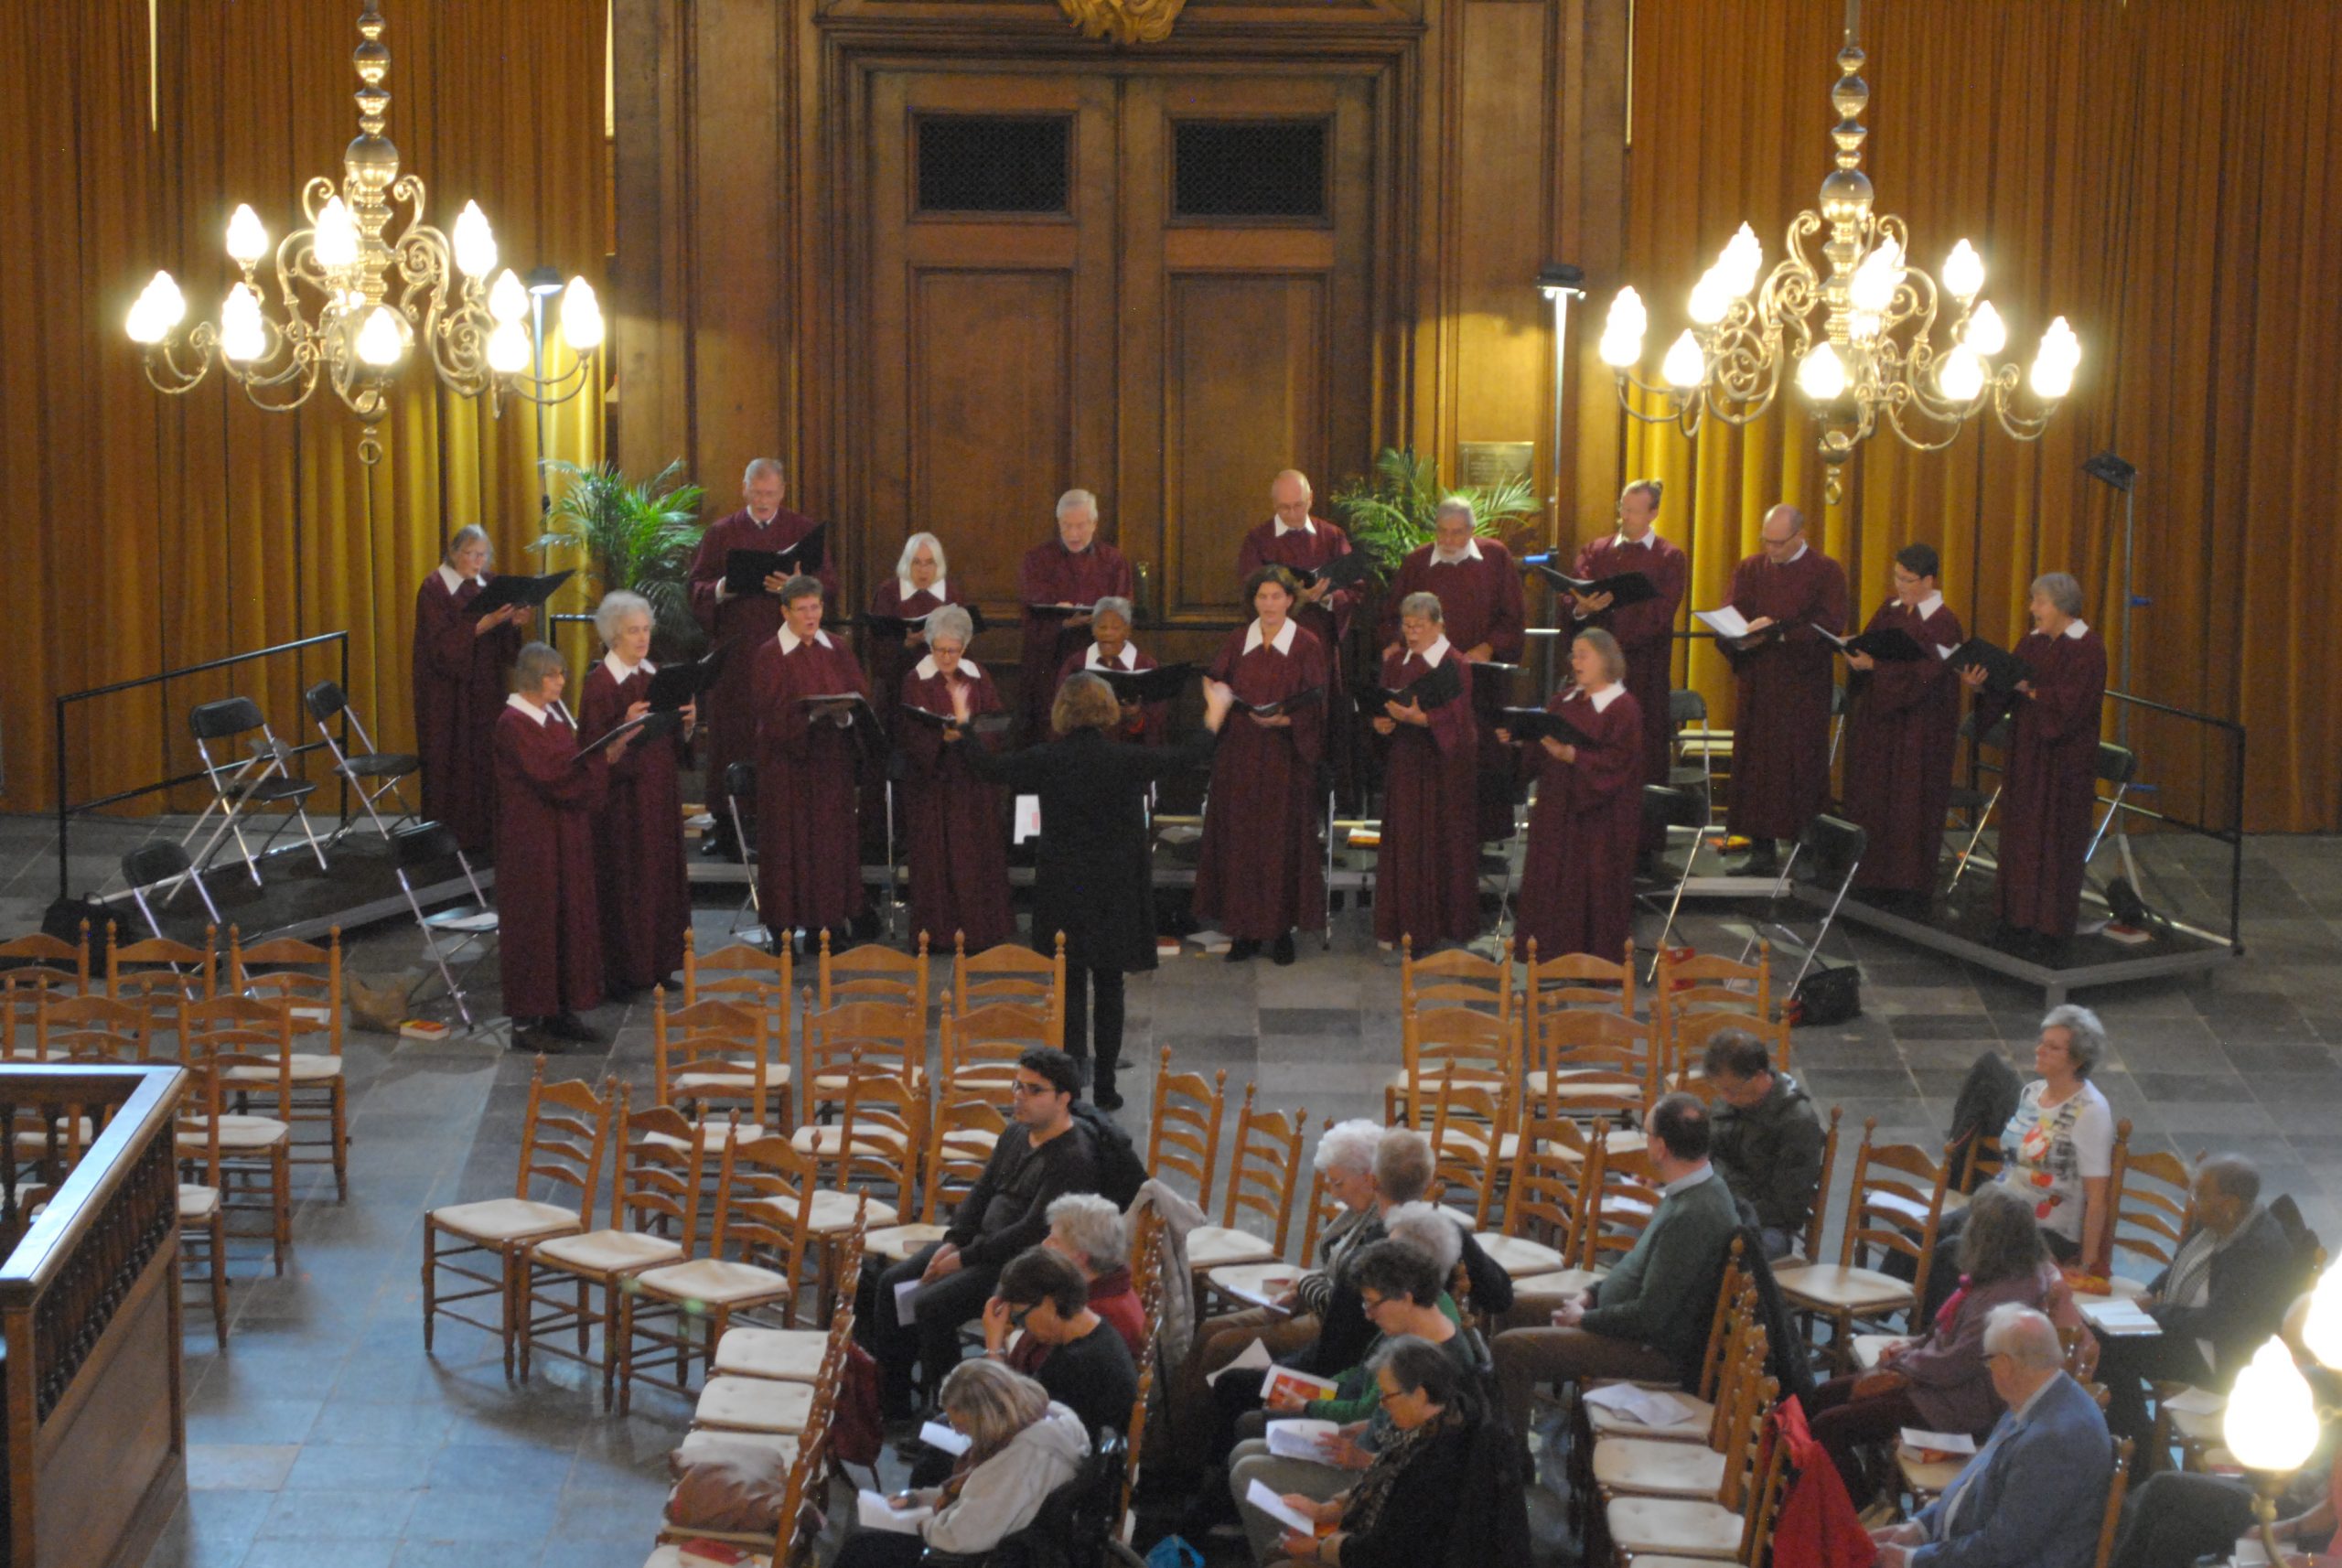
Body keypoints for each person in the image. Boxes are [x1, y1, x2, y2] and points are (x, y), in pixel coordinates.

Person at [970, 672, 1234, 1110]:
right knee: (1110, 986)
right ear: (1106, 709)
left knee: (1071, 987)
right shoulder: (1123, 758)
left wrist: (963, 727)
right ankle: (1107, 1087)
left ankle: (1072, 1086)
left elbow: (990, 769)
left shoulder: (1047, 757)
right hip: (1115, 887)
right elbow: (1183, 757)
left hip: (1064, 887)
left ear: (1063, 711)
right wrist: (1214, 716)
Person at [863, 1048, 1102, 1415]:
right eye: (1017, 1086)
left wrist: (963, 1258)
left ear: (1064, 1098)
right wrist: (953, 1241)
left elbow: (1030, 1231)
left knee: (932, 1305)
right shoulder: (1015, 1133)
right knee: (891, 1283)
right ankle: (893, 1402)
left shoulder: (1074, 1158)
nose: (1019, 1097)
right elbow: (982, 1191)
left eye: (1034, 1090)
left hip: (1018, 1266)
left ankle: (951, 1412)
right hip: (979, 1247)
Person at [1227, 1240, 1490, 1563]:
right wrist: (1361, 1427)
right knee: (1244, 1452)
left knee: (1248, 1472)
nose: (1367, 1314)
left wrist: (1363, 1459)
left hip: (1377, 1479)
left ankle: (1291, 1553)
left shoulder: (1436, 1361)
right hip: (1374, 1457)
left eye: (1372, 1303)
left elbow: (1424, 1470)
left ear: (1406, 1297)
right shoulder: (1413, 1328)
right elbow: (1396, 1421)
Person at [1489, 1092, 1740, 1433]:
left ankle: (1510, 1457)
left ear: (1660, 1147)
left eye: (1647, 1134)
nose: (1645, 1142)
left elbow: (1650, 1317)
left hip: (1655, 1352)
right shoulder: (1690, 1189)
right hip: (1623, 1320)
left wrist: (1584, 1319)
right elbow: (1636, 1268)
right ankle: (1505, 1433)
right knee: (1508, 1305)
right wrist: (1590, 1294)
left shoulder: (1693, 1214)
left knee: (1511, 1350)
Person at [1805, 1187, 2068, 1503]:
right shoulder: (2004, 1274)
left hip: (1957, 1405)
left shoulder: (2003, 1299)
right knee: (1823, 1396)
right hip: (1936, 1385)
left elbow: (1953, 1365)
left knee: (1830, 1427)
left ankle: (1857, 1508)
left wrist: (1899, 1366)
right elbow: (1946, 1334)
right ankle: (1830, 1496)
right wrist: (1911, 1347)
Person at [1867, 1305, 2114, 1568]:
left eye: (1989, 1362)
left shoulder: (2055, 1439)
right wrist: (1919, 1529)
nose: (1989, 1370)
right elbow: (1973, 1486)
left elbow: (2002, 1551)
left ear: (2005, 1365)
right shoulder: (2036, 1400)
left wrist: (1912, 1560)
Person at [2097, 1155, 2308, 1454]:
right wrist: (2151, 1292)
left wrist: (2154, 1313)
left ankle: (2136, 1446)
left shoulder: (2258, 1252)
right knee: (2100, 1333)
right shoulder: (2219, 1220)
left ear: (2229, 1203)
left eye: (2200, 1194)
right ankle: (2132, 1432)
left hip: (2217, 1356)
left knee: (2109, 1349)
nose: (2192, 1202)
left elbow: (2217, 1322)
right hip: (2189, 1327)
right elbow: (2179, 1264)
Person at [687, 458, 836, 859]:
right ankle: (726, 824)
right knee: (731, 734)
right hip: (735, 654)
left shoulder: (803, 530)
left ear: (782, 492)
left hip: (788, 652)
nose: (763, 500)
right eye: (756, 493)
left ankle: (777, 820)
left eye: (770, 494)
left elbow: (830, 584)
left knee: (779, 729)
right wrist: (722, 588)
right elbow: (696, 586)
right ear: (744, 489)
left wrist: (799, 585)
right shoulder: (722, 533)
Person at [1924, 1005, 2115, 1319]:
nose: (2040, 1050)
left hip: (2043, 1230)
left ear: (2078, 1059)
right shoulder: (2032, 1093)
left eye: (2052, 1047)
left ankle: (1937, 1334)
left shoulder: (2091, 1110)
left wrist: (2085, 1264)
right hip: (2000, 1208)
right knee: (1924, 1233)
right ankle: (1896, 1327)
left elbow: (2097, 1197)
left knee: (1950, 1252)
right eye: (2042, 1042)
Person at [493, 643, 632, 1050]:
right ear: (532, 679)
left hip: (562, 835)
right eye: (553, 675)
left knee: (566, 919)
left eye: (561, 674)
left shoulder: (550, 716)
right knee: (536, 925)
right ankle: (527, 1022)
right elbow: (553, 776)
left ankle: (559, 1010)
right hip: (532, 843)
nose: (561, 682)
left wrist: (603, 757)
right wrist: (602, 760)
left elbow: (570, 763)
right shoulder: (513, 723)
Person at [1962, 571, 2108, 951]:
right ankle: (2014, 919)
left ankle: (2049, 929)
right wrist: (1983, 685)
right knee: (2020, 837)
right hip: (2026, 758)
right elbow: (2006, 689)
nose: (2032, 609)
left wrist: (2031, 691)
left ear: (2062, 606)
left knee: (2054, 842)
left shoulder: (2088, 647)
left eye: (2039, 602)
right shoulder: (2032, 642)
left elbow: (2072, 704)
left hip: (2063, 764)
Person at [831, 1359, 1090, 1568]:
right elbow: (978, 1496)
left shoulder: (1019, 1461)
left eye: (962, 1426)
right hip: (1000, 1535)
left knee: (862, 1548)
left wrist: (922, 1524)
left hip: (986, 1555)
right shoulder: (1044, 1416)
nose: (958, 1433)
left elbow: (959, 1536)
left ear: (984, 1418)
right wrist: (919, 1499)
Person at [1256, 1336, 1488, 1568]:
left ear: (1420, 1394)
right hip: (1369, 1543)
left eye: (1387, 1396)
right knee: (1277, 1550)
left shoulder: (1434, 1462)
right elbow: (1374, 1484)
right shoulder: (1422, 1427)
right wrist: (1322, 1511)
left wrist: (1319, 1549)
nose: (1381, 1405)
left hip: (1385, 1555)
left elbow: (1385, 1551)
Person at [1197, 566, 1330, 965]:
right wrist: (1217, 696)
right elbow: (1214, 680)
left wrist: (1285, 720)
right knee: (1240, 840)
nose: (1269, 604)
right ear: (1252, 601)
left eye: (1276, 596)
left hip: (1284, 757)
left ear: (1290, 600)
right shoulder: (1239, 640)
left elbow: (1318, 701)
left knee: (1280, 842)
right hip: (1239, 753)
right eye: (1262, 597)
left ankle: (1280, 932)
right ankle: (1243, 932)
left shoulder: (1306, 643)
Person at [1377, 498, 1526, 843]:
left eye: (1456, 533)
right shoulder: (1417, 562)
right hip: (1424, 680)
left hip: (1480, 680)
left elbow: (1513, 617)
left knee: (1480, 755)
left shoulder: (1495, 557)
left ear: (1472, 531)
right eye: (1441, 532)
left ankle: (1478, 840)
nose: (1447, 541)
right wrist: (1396, 642)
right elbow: (1390, 616)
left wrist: (1486, 647)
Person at [1719, 503, 1849, 875]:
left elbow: (1830, 623)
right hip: (1758, 683)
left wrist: (1778, 632)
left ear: (1800, 536)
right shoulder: (1751, 568)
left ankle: (1805, 849)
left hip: (1801, 686)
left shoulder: (1826, 571)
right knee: (1756, 765)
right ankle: (1760, 850)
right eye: (1766, 541)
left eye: (1778, 543)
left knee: (1800, 765)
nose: (1771, 550)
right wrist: (1739, 638)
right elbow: (1731, 612)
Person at [1499, 628, 1644, 962]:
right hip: (1555, 810)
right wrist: (1521, 740)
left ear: (1605, 659)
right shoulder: (1562, 701)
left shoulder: (1623, 708)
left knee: (1590, 886)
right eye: (1573, 655)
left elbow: (1620, 763)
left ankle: (1592, 962)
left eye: (1583, 655)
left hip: (1598, 820)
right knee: (1550, 880)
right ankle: (1547, 957)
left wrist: (1575, 757)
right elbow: (1541, 750)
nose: (1576, 662)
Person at [576, 591, 694, 997]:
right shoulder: (600, 685)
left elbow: (671, 739)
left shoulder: (656, 674)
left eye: (645, 629)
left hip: (659, 793)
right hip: (623, 803)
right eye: (633, 631)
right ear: (613, 637)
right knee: (628, 881)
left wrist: (687, 723)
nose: (643, 638)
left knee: (660, 877)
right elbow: (591, 751)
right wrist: (622, 727)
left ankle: (659, 963)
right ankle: (624, 971)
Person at [1841, 542, 1965, 908]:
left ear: (1929, 580)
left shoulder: (1944, 622)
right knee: (1874, 797)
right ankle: (1870, 876)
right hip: (1881, 723)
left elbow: (1929, 675)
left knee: (1910, 803)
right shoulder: (1890, 609)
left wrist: (1877, 668)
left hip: (1920, 729)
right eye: (1897, 577)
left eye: (1908, 580)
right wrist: (1855, 653)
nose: (1900, 585)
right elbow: (1870, 646)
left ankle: (1907, 885)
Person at [750, 574, 868, 952]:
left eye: (815, 607)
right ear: (784, 612)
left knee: (829, 847)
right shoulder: (770, 654)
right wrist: (810, 716)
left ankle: (826, 929)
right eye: (802, 609)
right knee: (787, 849)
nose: (810, 615)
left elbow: (860, 695)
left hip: (830, 765)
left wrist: (843, 715)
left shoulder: (837, 647)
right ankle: (783, 933)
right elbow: (768, 712)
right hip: (786, 769)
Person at [1568, 478, 1689, 845]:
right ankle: (1591, 837)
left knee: (1642, 752)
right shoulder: (1597, 550)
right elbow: (1574, 593)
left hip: (1643, 671)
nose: (1625, 516)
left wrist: (1613, 638)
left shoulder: (1669, 557)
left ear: (1654, 513)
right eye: (1623, 508)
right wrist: (1582, 608)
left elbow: (1661, 614)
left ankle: (1643, 845)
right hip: (1596, 675)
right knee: (1593, 744)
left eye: (1634, 511)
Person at [896, 605, 1015, 952]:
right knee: (935, 860)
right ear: (930, 645)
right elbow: (909, 729)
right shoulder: (916, 679)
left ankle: (980, 933)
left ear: (964, 647)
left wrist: (971, 735)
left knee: (975, 857)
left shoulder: (977, 675)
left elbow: (994, 721)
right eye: (939, 649)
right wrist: (939, 738)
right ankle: (937, 935)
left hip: (972, 782)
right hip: (933, 785)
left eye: (953, 650)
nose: (946, 657)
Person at [1370, 592, 1480, 950]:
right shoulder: (1396, 661)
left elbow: (1460, 720)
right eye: (1407, 626)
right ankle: (1400, 925)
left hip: (1440, 769)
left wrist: (1424, 719)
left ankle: (1436, 927)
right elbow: (1383, 703)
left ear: (1438, 626)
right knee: (1405, 843)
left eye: (1419, 626)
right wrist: (1381, 723)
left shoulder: (1455, 663)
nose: (1412, 633)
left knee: (1435, 843)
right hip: (1404, 761)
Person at [412, 525, 526, 853]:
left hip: (485, 688)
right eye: (471, 554)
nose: (478, 562)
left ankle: (486, 837)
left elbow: (505, 647)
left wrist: (513, 623)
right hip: (447, 694)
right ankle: (448, 841)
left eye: (483, 555)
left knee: (485, 758)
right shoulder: (434, 588)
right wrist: (483, 624)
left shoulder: (488, 583)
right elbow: (439, 648)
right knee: (451, 761)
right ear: (453, 553)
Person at [984, 1245, 1140, 1437]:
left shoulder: (1073, 1362)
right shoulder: (1096, 1329)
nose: (1024, 1328)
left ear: (1049, 1302)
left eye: (1020, 1318)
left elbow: (1006, 1420)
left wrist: (993, 1347)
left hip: (1074, 1451)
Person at [1017, 489, 1134, 740]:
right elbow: (1030, 614)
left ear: (1094, 523)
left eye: (1080, 526)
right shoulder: (1037, 559)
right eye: (1066, 526)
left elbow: (1124, 610)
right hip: (1051, 659)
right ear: (1058, 523)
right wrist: (1063, 623)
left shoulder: (1113, 560)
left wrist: (1100, 620)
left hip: (1100, 657)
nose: (1073, 534)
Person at [1702, 1028, 1826, 1260]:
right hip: (1718, 1205)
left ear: (1759, 1077)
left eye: (1730, 1090)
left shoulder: (1797, 1122)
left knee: (1707, 1254)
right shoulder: (1733, 1099)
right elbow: (1705, 1152)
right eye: (1719, 1089)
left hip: (1766, 1226)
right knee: (1643, 1230)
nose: (1725, 1097)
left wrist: (1728, 1210)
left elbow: (1788, 1209)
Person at [865, 532, 965, 735]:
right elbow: (876, 647)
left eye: (929, 563)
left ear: (938, 565)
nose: (923, 570)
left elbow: (963, 640)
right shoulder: (889, 592)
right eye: (916, 563)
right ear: (907, 563)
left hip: (940, 684)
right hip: (897, 686)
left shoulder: (950, 593)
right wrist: (906, 644)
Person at [1043, 1192, 1146, 1357]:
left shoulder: (1096, 1315)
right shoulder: (1111, 1286)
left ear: (1080, 1256)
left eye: (1054, 1241)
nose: (1044, 1244)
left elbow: (1039, 1366)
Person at [1059, 596, 1166, 746]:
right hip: (1085, 750)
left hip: (1130, 752)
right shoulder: (1076, 663)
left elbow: (1156, 724)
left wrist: (1135, 717)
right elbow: (1061, 714)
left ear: (1128, 630)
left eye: (1115, 628)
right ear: (1093, 630)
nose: (1108, 633)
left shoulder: (1146, 665)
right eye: (1102, 627)